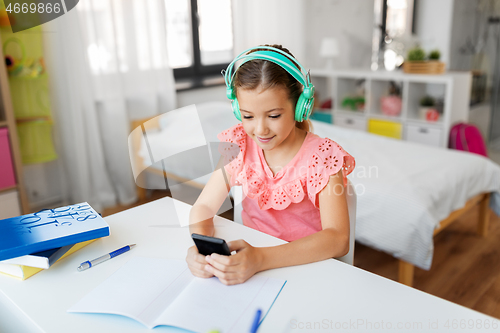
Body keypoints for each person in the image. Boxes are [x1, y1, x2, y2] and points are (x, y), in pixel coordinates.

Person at [186, 44, 355, 285]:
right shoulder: (239, 144)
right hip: (252, 266)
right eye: (248, 116)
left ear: (299, 107)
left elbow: (338, 239)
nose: (260, 129)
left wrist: (261, 259)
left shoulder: (322, 156)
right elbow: (203, 206)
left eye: (274, 115)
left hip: (306, 267)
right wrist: (200, 247)